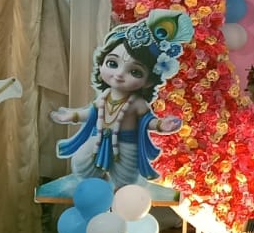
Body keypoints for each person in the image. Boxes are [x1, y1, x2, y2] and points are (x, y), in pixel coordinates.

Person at [48, 10, 194, 199]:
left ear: (149, 81)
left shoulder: (137, 103)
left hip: (125, 147)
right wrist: (72, 116)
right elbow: (91, 113)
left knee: (126, 182)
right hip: (97, 142)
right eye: (112, 63)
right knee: (83, 165)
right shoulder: (105, 96)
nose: (119, 74)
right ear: (101, 61)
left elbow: (147, 121)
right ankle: (96, 193)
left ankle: (121, 200)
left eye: (134, 72)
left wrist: (160, 125)